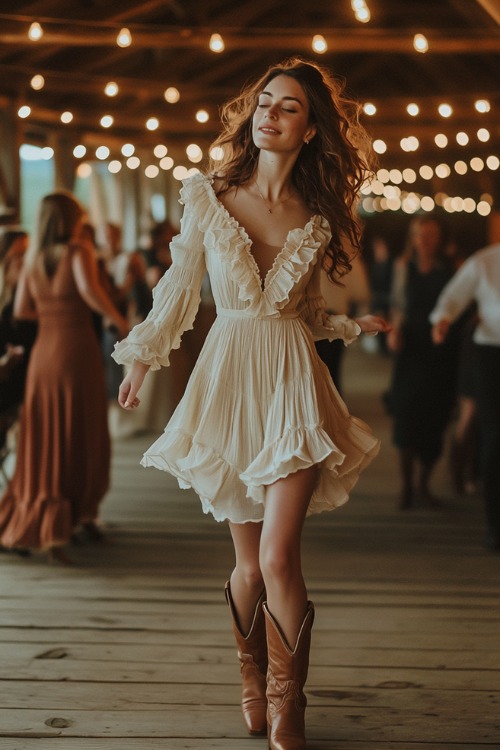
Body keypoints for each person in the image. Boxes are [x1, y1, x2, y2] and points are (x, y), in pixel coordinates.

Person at [112, 58, 390, 749]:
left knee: (277, 557)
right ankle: (249, 675)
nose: (269, 113)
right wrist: (142, 360)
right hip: (229, 382)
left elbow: (307, 309)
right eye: (264, 102)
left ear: (308, 130)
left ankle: (287, 701)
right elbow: (178, 289)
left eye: (288, 106)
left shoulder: (319, 213)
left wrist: (352, 327)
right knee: (245, 563)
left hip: (293, 383)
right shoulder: (208, 196)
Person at [0, 192, 128, 563]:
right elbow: (89, 290)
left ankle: (51, 518)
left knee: (48, 431)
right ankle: (80, 513)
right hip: (76, 351)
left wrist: (52, 312)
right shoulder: (78, 251)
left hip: (45, 354)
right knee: (81, 428)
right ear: (73, 218)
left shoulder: (33, 258)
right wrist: (118, 320)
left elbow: (23, 308)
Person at [386, 215, 462, 510]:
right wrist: (394, 333)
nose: (425, 240)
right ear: (413, 238)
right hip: (411, 351)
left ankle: (423, 484)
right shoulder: (403, 267)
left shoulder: (451, 269)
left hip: (441, 353)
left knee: (435, 421)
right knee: (405, 418)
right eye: (420, 234)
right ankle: (406, 486)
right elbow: (397, 305)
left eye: (431, 234)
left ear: (439, 238)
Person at [430, 242, 500, 551]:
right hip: (492, 355)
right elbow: (453, 296)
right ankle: (495, 525)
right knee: (495, 436)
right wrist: (443, 319)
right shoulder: (486, 261)